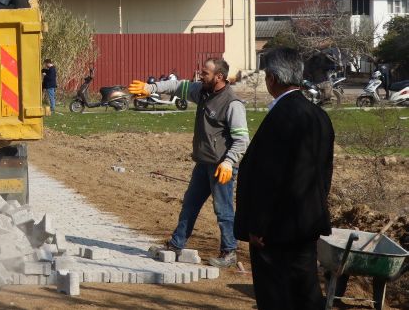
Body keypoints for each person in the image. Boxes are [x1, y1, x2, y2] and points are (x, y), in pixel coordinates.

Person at [235, 47, 334, 309]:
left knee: (276, 295)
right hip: (307, 221)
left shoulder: (282, 117)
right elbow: (324, 174)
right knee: (305, 292)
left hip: (276, 230)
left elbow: (270, 179)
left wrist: (257, 226)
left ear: (272, 79)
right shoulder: (319, 116)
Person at [129, 58, 249, 268]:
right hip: (203, 162)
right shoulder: (202, 91)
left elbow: (242, 140)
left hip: (222, 167)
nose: (200, 76)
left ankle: (229, 252)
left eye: (205, 73)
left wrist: (229, 162)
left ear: (218, 77)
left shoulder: (232, 103)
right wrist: (150, 88)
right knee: (190, 204)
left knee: (223, 210)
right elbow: (176, 85)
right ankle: (176, 245)